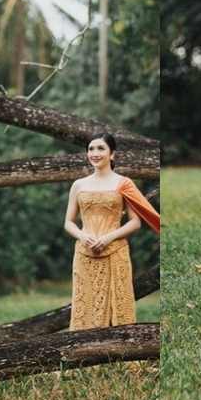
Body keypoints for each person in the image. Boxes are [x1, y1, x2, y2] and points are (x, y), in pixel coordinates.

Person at [63, 133, 160, 330]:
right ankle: (84, 356)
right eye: (91, 149)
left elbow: (135, 222)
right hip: (84, 253)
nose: (95, 153)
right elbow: (68, 222)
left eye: (100, 149)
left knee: (118, 306)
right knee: (85, 305)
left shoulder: (123, 183)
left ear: (112, 154)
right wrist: (82, 235)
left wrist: (109, 237)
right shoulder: (79, 185)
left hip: (115, 252)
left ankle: (120, 355)